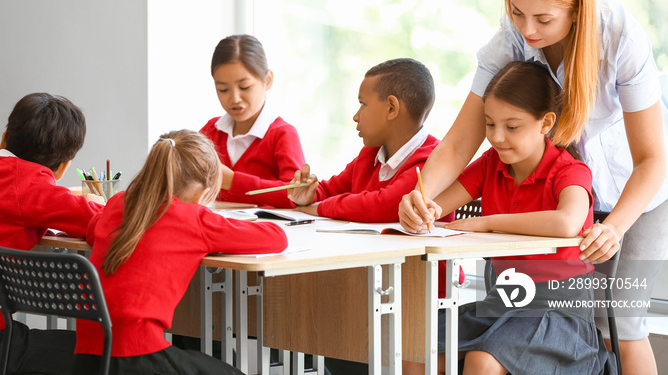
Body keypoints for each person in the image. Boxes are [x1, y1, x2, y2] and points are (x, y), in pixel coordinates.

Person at [399, 0, 667, 375]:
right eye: (517, 12)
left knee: (621, 318)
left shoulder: (620, 35)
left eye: (543, 18)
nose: (527, 29)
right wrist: (421, 193)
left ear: (577, 9)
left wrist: (614, 226)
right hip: (560, 189)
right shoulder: (509, 41)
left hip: (635, 188)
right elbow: (460, 141)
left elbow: (652, 158)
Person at [406, 61, 612, 374]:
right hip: (502, 302)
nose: (497, 137)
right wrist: (422, 209)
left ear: (545, 123)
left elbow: (567, 222)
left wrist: (489, 222)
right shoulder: (491, 163)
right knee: (416, 348)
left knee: (483, 361)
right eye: (490, 125)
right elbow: (436, 206)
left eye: (511, 127)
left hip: (558, 312)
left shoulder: (570, 171)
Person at [73, 130, 288, 375]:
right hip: (139, 358)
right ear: (202, 191)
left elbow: (92, 231)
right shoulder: (195, 220)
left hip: (88, 358)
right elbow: (276, 238)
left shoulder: (118, 202)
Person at [0, 92, 104, 375]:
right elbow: (101, 222)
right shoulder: (30, 187)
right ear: (64, 166)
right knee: (104, 351)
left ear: (4, 138)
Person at [289, 57, 453, 224]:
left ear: (391, 108)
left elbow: (381, 206)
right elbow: (330, 189)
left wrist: (318, 208)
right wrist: (310, 196)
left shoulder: (433, 161)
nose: (356, 116)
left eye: (362, 104)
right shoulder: (371, 153)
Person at [200, 34, 305, 208]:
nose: (235, 98)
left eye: (244, 87)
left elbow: (296, 194)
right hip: (213, 228)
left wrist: (232, 181)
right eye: (223, 89)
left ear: (268, 80)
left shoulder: (282, 134)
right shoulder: (211, 131)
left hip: (264, 230)